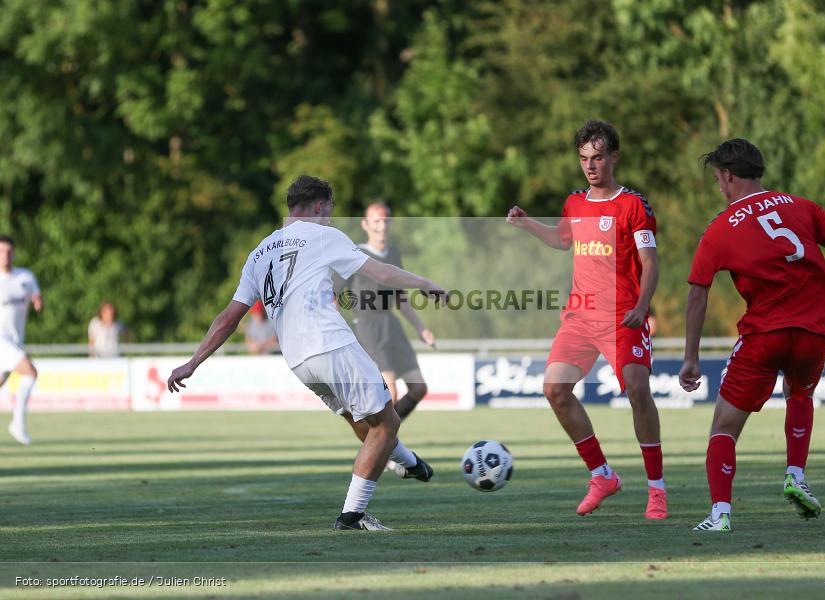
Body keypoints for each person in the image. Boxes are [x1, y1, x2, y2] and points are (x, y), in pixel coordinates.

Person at [166, 175, 445, 531]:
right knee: (386, 423)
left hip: (298, 359)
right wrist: (424, 283)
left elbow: (228, 318)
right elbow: (380, 272)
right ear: (318, 206)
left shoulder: (259, 252)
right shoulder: (324, 235)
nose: (330, 217)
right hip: (330, 343)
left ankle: (410, 463)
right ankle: (352, 516)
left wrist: (193, 362)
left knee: (365, 424)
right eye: (329, 210)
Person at [679, 139, 825, 532]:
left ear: (728, 176)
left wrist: (691, 357)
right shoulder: (801, 206)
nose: (719, 187)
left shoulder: (719, 229)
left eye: (717, 179)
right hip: (815, 330)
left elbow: (698, 293)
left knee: (723, 427)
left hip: (766, 334)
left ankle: (720, 514)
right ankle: (795, 474)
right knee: (800, 395)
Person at [507, 120, 667, 519]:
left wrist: (641, 306)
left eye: (597, 158)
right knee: (554, 389)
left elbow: (650, 263)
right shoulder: (575, 203)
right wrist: (526, 223)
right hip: (579, 317)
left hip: (622, 317)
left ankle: (657, 489)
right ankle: (602, 475)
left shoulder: (633, 205)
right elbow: (562, 240)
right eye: (584, 159)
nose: (590, 166)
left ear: (614, 156)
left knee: (636, 389)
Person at [341, 202, 435, 421]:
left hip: (391, 324)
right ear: (365, 224)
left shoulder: (393, 254)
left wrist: (421, 328)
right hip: (367, 326)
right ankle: (381, 447)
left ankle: (384, 441)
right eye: (376, 221)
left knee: (418, 388)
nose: (382, 226)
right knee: (389, 393)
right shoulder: (354, 255)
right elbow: (333, 296)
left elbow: (400, 296)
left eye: (386, 221)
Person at [0, 235, 43, 445]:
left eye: (8, 251)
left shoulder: (25, 277)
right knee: (31, 372)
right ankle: (18, 423)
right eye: (1, 252)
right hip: (1, 342)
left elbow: (36, 296)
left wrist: (37, 301)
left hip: (15, 342)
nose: (5, 256)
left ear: (14, 253)